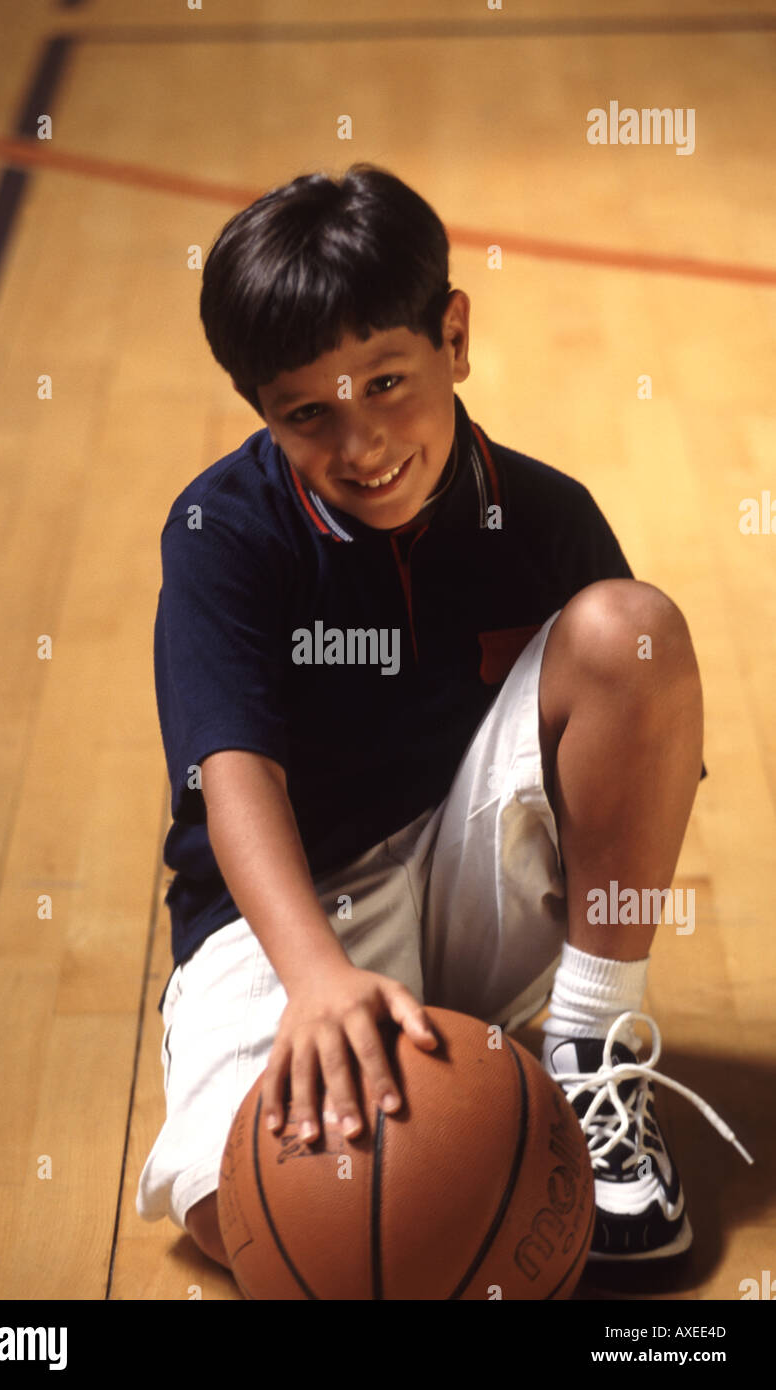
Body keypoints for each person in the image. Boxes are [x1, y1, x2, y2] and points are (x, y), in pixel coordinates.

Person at [136, 163, 750, 1276]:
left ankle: (585, 1045)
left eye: (385, 381)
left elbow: (627, 766)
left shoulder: (546, 516)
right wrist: (317, 976)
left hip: (477, 884)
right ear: (261, 413)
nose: (360, 443)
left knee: (629, 630)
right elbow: (234, 783)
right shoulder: (221, 533)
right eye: (307, 414)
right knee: (263, 1219)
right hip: (289, 911)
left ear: (453, 338)